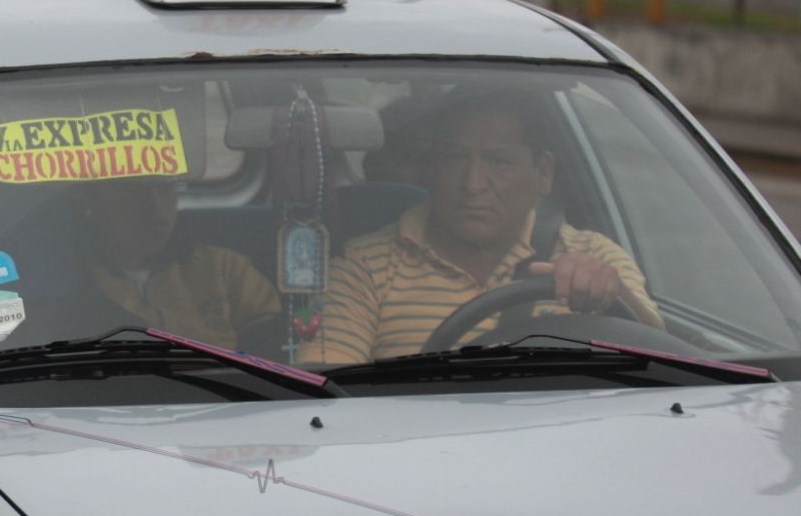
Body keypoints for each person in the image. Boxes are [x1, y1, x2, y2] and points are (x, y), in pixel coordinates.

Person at [310, 88, 660, 365]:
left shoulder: (593, 258)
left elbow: (667, 370)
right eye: (455, 158)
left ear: (544, 174)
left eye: (498, 161)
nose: (473, 183)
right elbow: (324, 403)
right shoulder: (363, 269)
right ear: (431, 168)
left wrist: (610, 295)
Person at [83, 176, 280, 349]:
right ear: (90, 198)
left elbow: (274, 348)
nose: (155, 203)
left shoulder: (223, 268)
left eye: (166, 185)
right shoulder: (72, 284)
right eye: (133, 190)